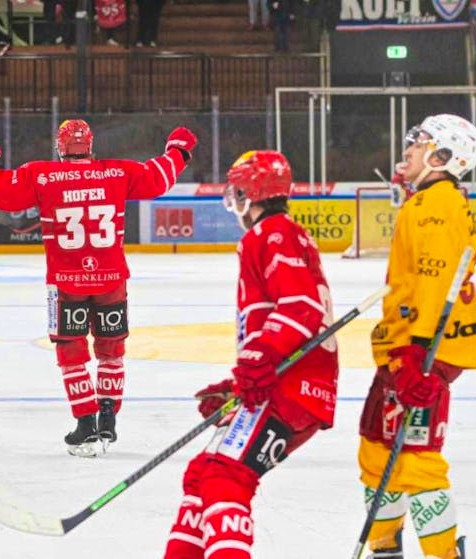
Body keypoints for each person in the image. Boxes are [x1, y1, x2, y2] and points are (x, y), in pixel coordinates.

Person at [0, 120, 196, 457]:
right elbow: (158, 177)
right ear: (91, 146)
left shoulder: (41, 175)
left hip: (66, 282)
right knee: (111, 350)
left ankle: (85, 424)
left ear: (59, 148)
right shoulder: (116, 173)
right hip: (110, 279)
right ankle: (108, 418)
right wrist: (177, 151)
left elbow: (1, 193)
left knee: (71, 354)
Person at [161, 150, 340, 558]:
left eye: (238, 190)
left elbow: (300, 306)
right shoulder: (283, 233)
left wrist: (256, 364)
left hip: (289, 388)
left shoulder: (270, 233)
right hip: (289, 386)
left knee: (224, 476)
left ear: (251, 193)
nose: (234, 200)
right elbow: (286, 318)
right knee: (203, 475)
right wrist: (239, 380)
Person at [357, 114, 476, 559]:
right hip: (405, 347)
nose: (407, 148)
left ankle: (444, 555)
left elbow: (437, 278)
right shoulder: (422, 201)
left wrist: (415, 350)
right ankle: (385, 547)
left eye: (419, 142)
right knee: (377, 449)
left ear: (442, 156)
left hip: (422, 351)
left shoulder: (439, 204)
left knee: (415, 458)